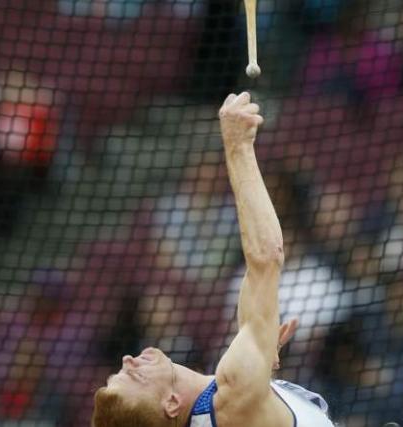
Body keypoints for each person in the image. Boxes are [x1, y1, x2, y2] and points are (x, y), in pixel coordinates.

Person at [91, 92, 336, 427]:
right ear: (172, 403)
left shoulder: (225, 393)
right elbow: (266, 258)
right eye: (135, 378)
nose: (128, 360)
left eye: (120, 372)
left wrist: (260, 357)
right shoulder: (234, 392)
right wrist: (237, 146)